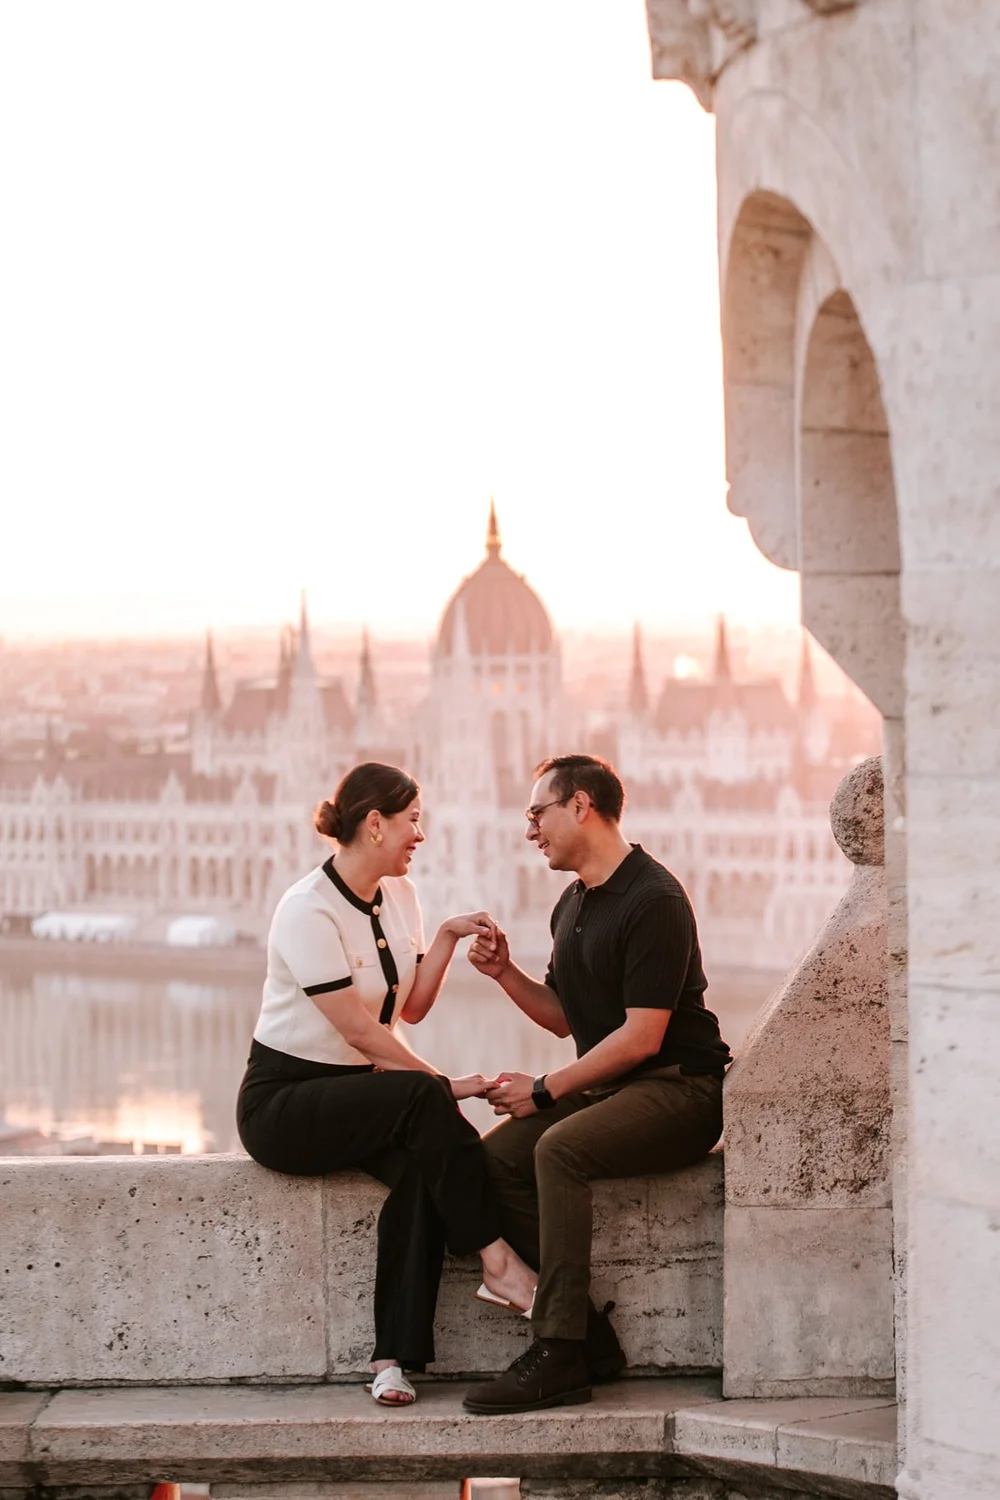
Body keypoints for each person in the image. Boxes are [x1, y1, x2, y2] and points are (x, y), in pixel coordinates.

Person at [236, 761, 536, 1408]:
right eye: (413, 821)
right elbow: (363, 1034)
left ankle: (390, 1360)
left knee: (423, 1173)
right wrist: (446, 1086)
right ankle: (498, 1262)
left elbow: (409, 1012)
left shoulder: (402, 896)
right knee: (425, 1106)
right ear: (375, 825)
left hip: (362, 1095)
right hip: (286, 1102)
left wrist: (450, 937)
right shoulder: (305, 910)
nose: (420, 836)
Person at [462, 753, 732, 1415]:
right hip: (616, 1090)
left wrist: (547, 1090)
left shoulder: (654, 899)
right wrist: (505, 974)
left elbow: (642, 1037)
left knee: (559, 1149)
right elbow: (564, 1017)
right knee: (493, 1160)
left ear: (581, 805)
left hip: (680, 1090)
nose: (531, 830)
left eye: (538, 813)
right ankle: (592, 1339)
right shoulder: (573, 902)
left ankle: (558, 1352)